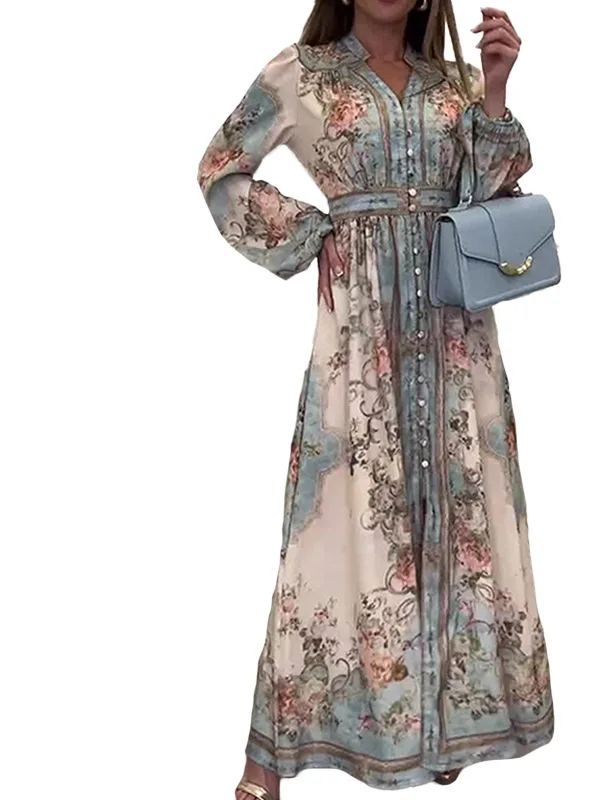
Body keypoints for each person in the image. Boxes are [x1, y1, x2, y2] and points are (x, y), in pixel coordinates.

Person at [196, 1, 554, 797]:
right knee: (327, 528)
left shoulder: (457, 83)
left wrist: (496, 89)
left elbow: (491, 194)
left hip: (456, 338)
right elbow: (221, 169)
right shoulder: (302, 74)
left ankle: (442, 727)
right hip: (359, 337)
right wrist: (313, 234)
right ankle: (266, 760)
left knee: (458, 518)